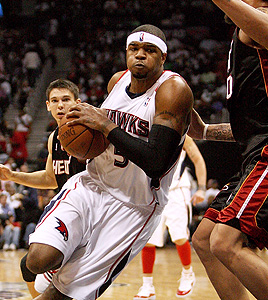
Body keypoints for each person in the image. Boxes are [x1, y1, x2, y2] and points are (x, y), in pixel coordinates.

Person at [25, 24, 194, 300]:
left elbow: (156, 162)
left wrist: (106, 126)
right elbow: (99, 141)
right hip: (92, 185)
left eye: (149, 50)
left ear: (163, 57)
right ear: (126, 52)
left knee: (59, 296)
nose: (140, 55)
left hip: (134, 205)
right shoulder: (117, 82)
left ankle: (70, 275)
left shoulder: (172, 90)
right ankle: (62, 263)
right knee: (36, 260)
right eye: (134, 49)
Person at [188, 1, 268, 299]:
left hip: (267, 154)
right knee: (206, 239)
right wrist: (205, 131)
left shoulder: (261, 20)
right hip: (254, 154)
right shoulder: (242, 35)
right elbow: (250, 128)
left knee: (225, 241)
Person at [0, 79, 86, 297]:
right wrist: (13, 176)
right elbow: (50, 177)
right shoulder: (54, 138)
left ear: (77, 102)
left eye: (66, 100)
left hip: (87, 217)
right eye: (55, 101)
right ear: (47, 105)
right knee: (29, 268)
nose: (60, 106)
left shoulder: (88, 134)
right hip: (66, 215)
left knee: (55, 283)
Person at [134, 135, 206, 299]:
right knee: (148, 241)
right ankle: (147, 285)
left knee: (179, 236)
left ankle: (188, 274)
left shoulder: (182, 135)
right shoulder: (146, 132)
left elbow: (198, 160)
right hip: (153, 192)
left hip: (177, 190)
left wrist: (201, 188)